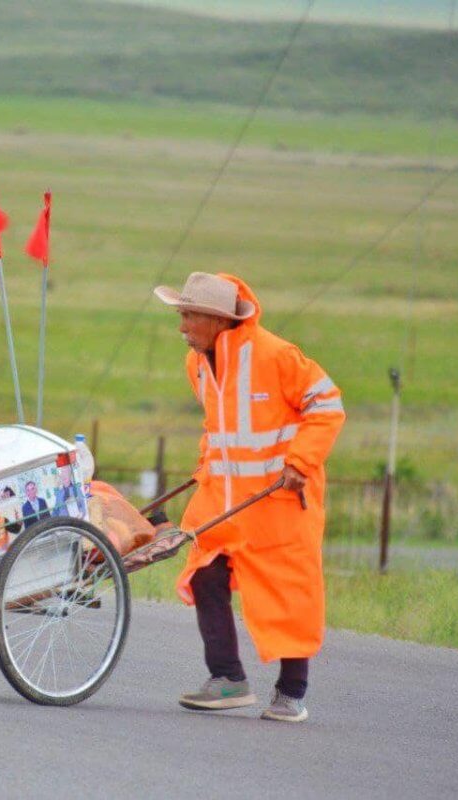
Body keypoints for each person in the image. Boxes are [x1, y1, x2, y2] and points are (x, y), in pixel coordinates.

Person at [153, 271, 345, 723]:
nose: (181, 327)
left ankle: (291, 693)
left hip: (280, 502)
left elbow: (328, 406)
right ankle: (228, 679)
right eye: (180, 315)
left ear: (218, 320)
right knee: (204, 574)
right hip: (222, 501)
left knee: (288, 594)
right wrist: (203, 469)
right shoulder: (196, 364)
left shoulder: (277, 356)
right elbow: (216, 429)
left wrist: (300, 463)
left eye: (188, 317)